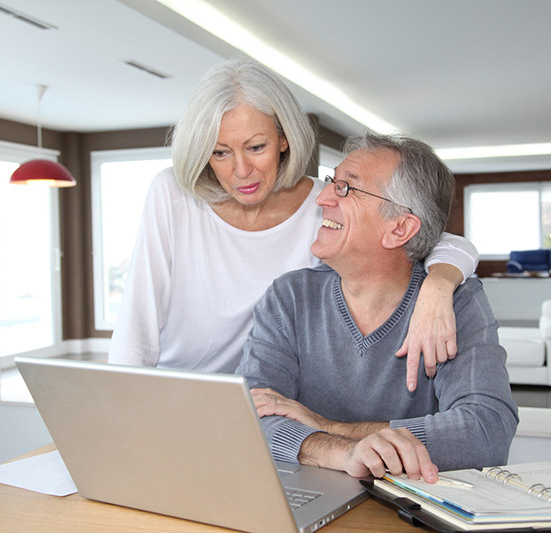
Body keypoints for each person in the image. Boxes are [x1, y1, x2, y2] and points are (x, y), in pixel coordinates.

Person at [108, 59, 479, 391]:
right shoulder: (173, 194)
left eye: (256, 147)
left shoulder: (325, 203)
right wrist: (121, 406)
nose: (241, 171)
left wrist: (439, 286)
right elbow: (137, 322)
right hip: (174, 390)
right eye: (220, 152)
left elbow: (434, 236)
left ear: (284, 139)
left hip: (266, 400)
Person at [236, 133, 518, 482]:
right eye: (330, 182)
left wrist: (329, 427)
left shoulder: (458, 303)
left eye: (345, 188)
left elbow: (485, 431)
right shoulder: (290, 297)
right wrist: (340, 451)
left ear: (399, 228)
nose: (322, 198)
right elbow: (250, 413)